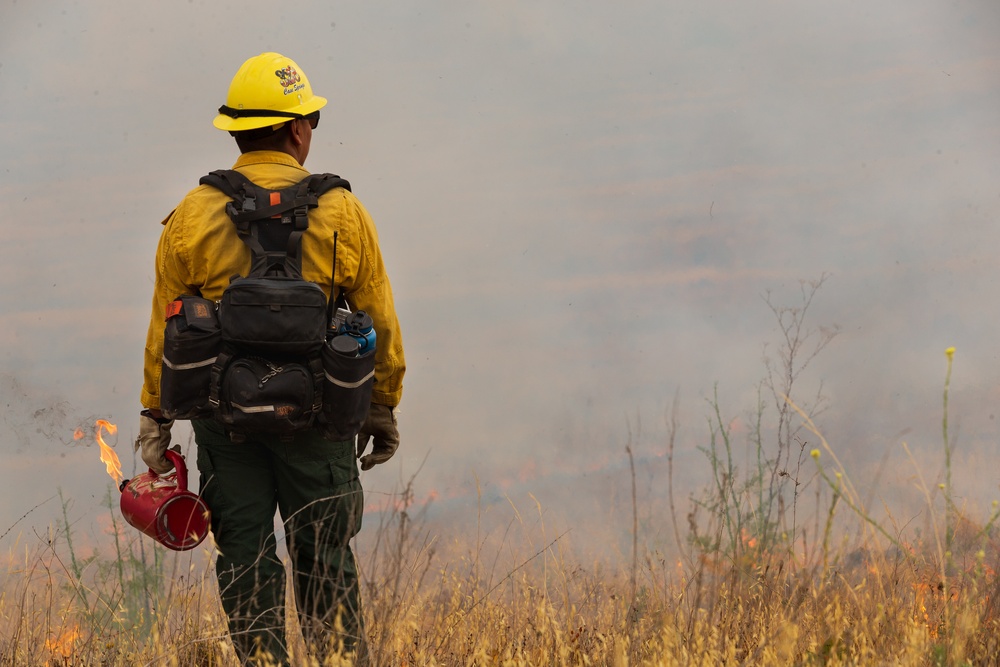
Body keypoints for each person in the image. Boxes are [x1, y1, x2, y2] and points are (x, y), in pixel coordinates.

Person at [135, 52, 405, 665]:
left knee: (245, 561)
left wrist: (156, 416)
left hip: (226, 426)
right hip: (321, 420)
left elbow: (164, 327)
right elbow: (379, 322)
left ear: (235, 130)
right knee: (327, 561)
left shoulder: (191, 214)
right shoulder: (343, 212)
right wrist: (382, 406)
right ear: (296, 129)